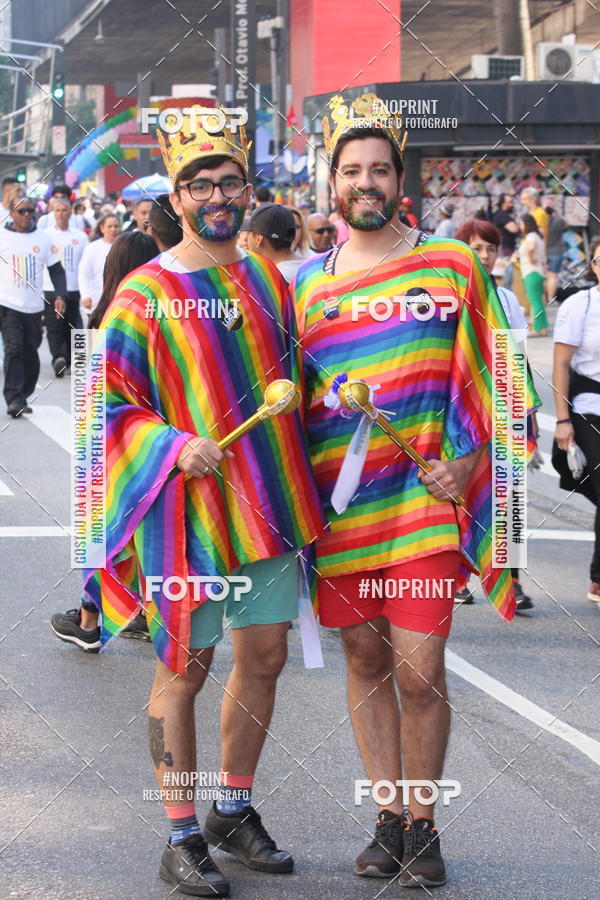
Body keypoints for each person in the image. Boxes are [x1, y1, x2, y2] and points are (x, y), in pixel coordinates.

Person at [294, 93, 538, 889]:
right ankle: (389, 815)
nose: (365, 182)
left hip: (426, 507)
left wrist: (469, 465)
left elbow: (504, 376)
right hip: (342, 513)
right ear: (332, 183)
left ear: (401, 179)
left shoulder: (452, 265)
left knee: (420, 671)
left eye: (379, 169)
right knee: (365, 658)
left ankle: (426, 824)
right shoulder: (306, 286)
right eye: (351, 170)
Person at [80, 108, 325, 896]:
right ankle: (181, 833)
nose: (217, 195)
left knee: (266, 657)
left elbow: (297, 380)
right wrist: (172, 443)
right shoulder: (146, 293)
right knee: (184, 667)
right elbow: (105, 405)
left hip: (267, 505)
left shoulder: (268, 281)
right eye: (200, 184)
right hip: (185, 517)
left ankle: (232, 809)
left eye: (229, 182)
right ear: (177, 200)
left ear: (248, 192)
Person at [50, 231, 159, 649]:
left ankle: (89, 620)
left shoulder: (103, 318)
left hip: (106, 444)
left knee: (99, 529)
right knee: (146, 527)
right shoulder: (163, 314)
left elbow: (88, 399)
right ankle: (146, 612)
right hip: (155, 442)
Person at [454, 218, 535, 613]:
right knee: (461, 493)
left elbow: (518, 356)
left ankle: (511, 582)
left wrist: (526, 416)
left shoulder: (506, 299)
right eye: (477, 248)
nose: (485, 256)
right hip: (462, 410)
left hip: (504, 405)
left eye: (491, 249)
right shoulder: (449, 290)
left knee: (509, 493)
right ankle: (457, 577)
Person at [553, 236, 600, 605]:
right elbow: (560, 365)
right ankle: (598, 577)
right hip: (589, 406)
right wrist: (562, 419)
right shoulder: (580, 304)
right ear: (593, 266)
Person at [0, 195, 66, 417]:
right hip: (8, 304)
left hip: (34, 307)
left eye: (30, 211)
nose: (27, 215)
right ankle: (14, 398)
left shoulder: (43, 238)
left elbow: (56, 270)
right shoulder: (2, 236)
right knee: (14, 349)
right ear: (11, 213)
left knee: (30, 352)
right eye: (21, 211)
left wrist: (60, 295)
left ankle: (23, 393)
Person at [41, 198, 87, 377]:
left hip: (73, 288)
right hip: (50, 288)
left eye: (64, 210)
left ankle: (69, 360)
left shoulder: (80, 237)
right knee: (54, 325)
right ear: (53, 213)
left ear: (70, 212)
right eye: (57, 210)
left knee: (70, 324)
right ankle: (58, 358)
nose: (61, 214)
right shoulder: (45, 235)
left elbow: (84, 264)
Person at [78, 214, 121, 319]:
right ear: (102, 228)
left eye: (116, 226)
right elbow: (83, 274)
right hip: (96, 301)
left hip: (119, 302)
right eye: (109, 226)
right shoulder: (92, 248)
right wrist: (85, 295)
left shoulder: (124, 247)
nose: (113, 229)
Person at [246, 203, 302, 282]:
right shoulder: (308, 267)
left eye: (248, 233)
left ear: (259, 238)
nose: (246, 238)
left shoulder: (274, 279)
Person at [517, 214, 547, 335]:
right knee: (539, 301)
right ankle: (543, 328)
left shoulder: (530, 236)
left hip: (531, 271)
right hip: (538, 271)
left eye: (521, 223)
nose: (520, 226)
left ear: (526, 224)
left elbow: (531, 247)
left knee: (534, 301)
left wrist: (530, 258)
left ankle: (536, 328)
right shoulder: (537, 236)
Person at [545, 205, 566, 303]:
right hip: (556, 252)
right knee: (553, 276)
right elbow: (566, 223)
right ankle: (550, 298)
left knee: (543, 276)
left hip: (543, 252)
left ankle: (544, 298)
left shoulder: (542, 222)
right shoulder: (558, 221)